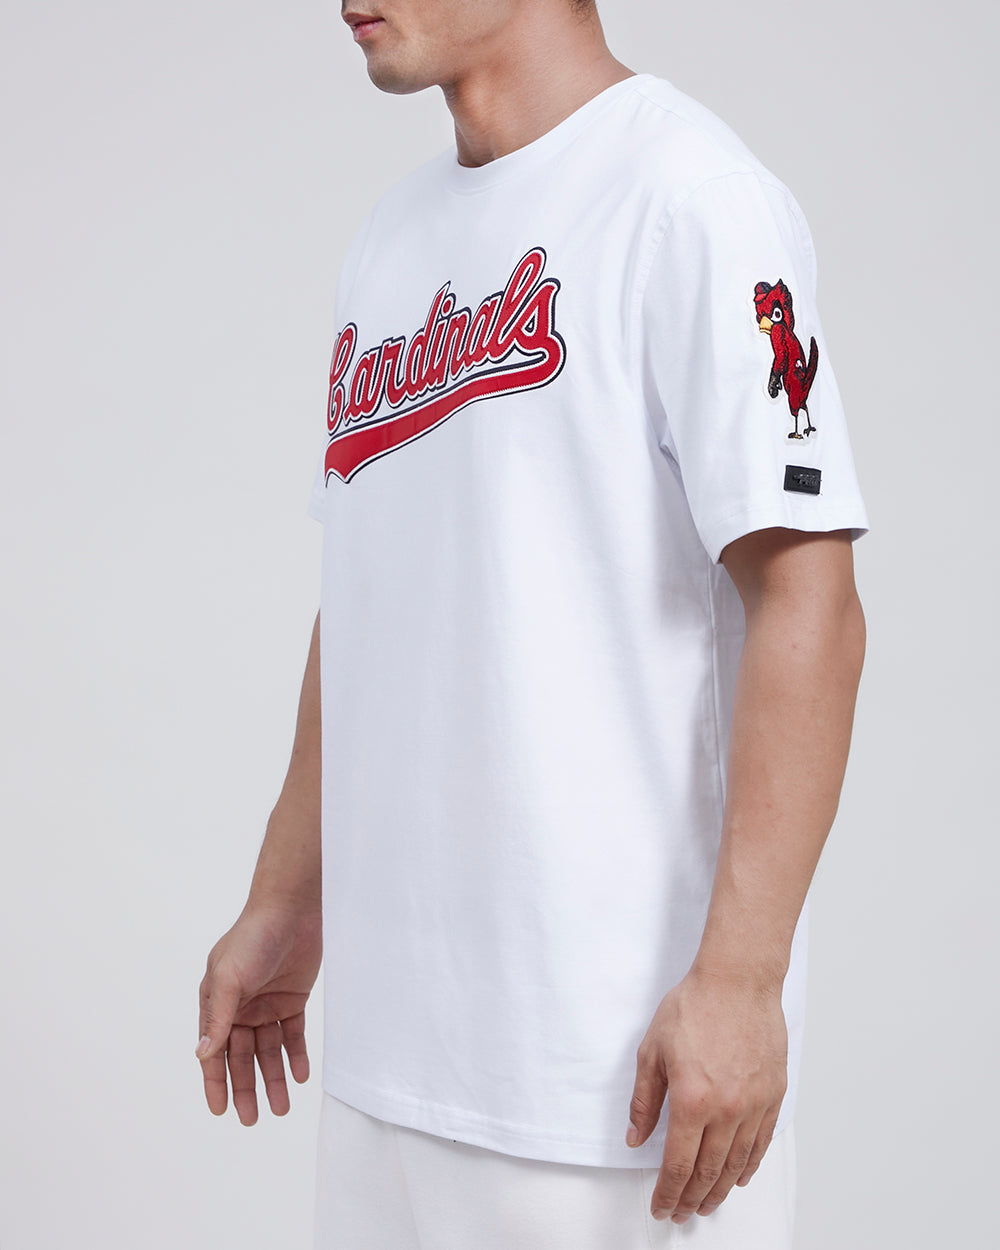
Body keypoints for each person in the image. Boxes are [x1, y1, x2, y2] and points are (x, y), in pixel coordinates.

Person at [196, 2, 869, 1246]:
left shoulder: (690, 199)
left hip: (613, 1083)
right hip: (391, 1060)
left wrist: (742, 979)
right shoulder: (392, 235)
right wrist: (287, 896)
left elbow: (810, 600)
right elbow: (371, 587)